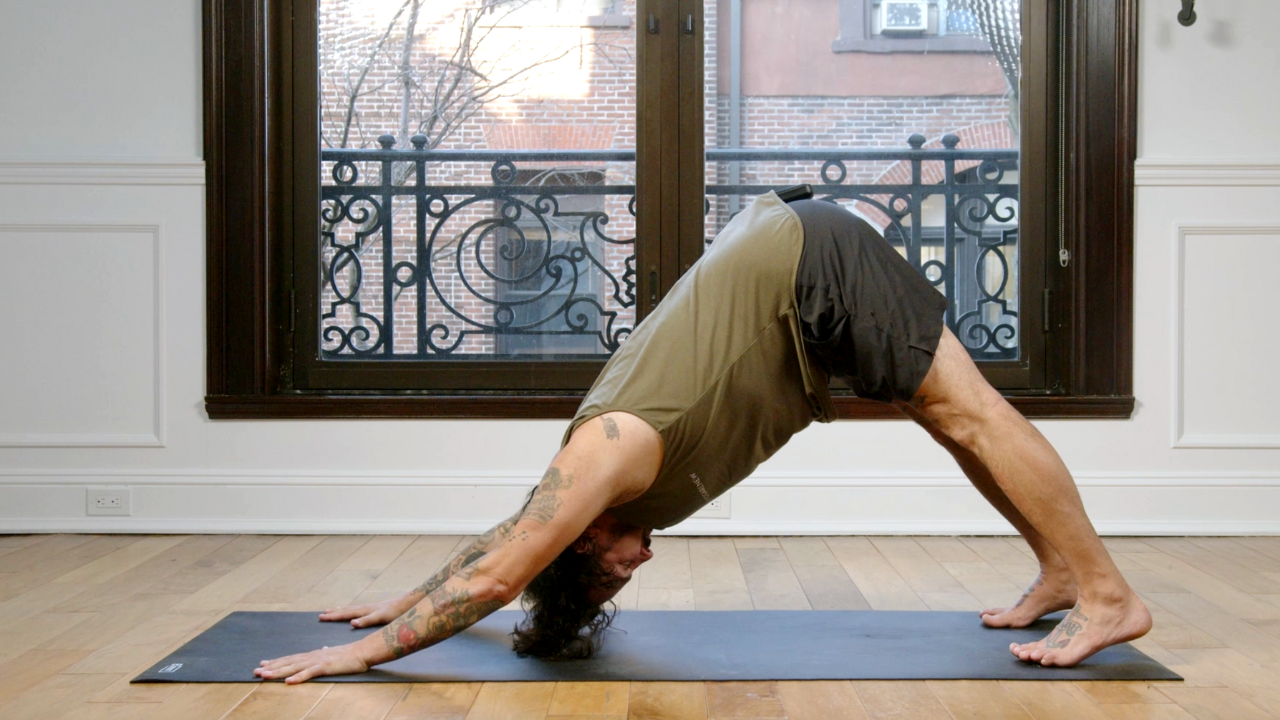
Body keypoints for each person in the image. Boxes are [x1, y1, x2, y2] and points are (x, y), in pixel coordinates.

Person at [255, 192, 1151, 684]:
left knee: (970, 412)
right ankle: (1062, 570)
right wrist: (397, 598)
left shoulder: (604, 454)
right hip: (790, 273)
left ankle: (1107, 594)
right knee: (947, 418)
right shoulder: (590, 495)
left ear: (586, 537)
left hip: (810, 263)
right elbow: (505, 540)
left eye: (611, 569)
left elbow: (501, 573)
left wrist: (363, 653)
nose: (635, 566)